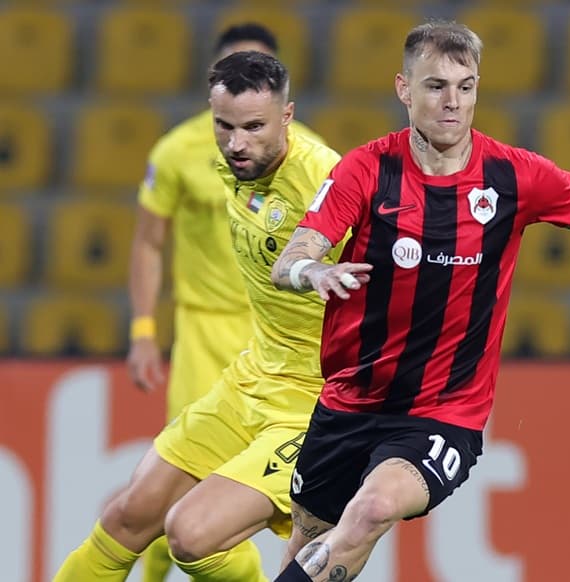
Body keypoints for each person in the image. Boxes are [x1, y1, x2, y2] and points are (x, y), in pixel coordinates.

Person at [269, 19, 570, 581]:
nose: (453, 102)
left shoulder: (511, 176)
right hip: (350, 399)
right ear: (404, 88)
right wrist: (311, 271)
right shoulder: (367, 168)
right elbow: (292, 258)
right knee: (311, 537)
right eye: (435, 86)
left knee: (372, 509)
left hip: (445, 412)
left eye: (465, 86)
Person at [53, 52, 342, 582]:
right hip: (252, 379)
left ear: (288, 116)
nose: (236, 143)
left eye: (254, 127)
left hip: (316, 404)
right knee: (127, 517)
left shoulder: (328, 178)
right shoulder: (226, 165)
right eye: (224, 126)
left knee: (190, 536)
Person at [126, 23, 324, 582]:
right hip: (204, 334)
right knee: (168, 499)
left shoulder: (309, 162)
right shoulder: (179, 151)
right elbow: (147, 240)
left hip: (284, 345)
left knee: (254, 508)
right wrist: (144, 328)